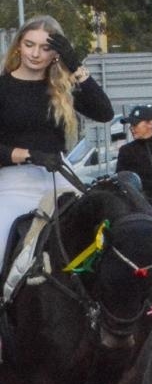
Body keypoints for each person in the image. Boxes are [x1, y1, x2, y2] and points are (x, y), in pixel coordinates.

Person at [0, 18, 113, 306]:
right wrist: (26, 154)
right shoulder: (3, 87)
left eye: (45, 48)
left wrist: (75, 67)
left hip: (61, 179)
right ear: (18, 47)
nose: (36, 54)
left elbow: (104, 112)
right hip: (14, 183)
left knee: (103, 240)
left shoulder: (63, 87)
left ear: (56, 53)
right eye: (29, 45)